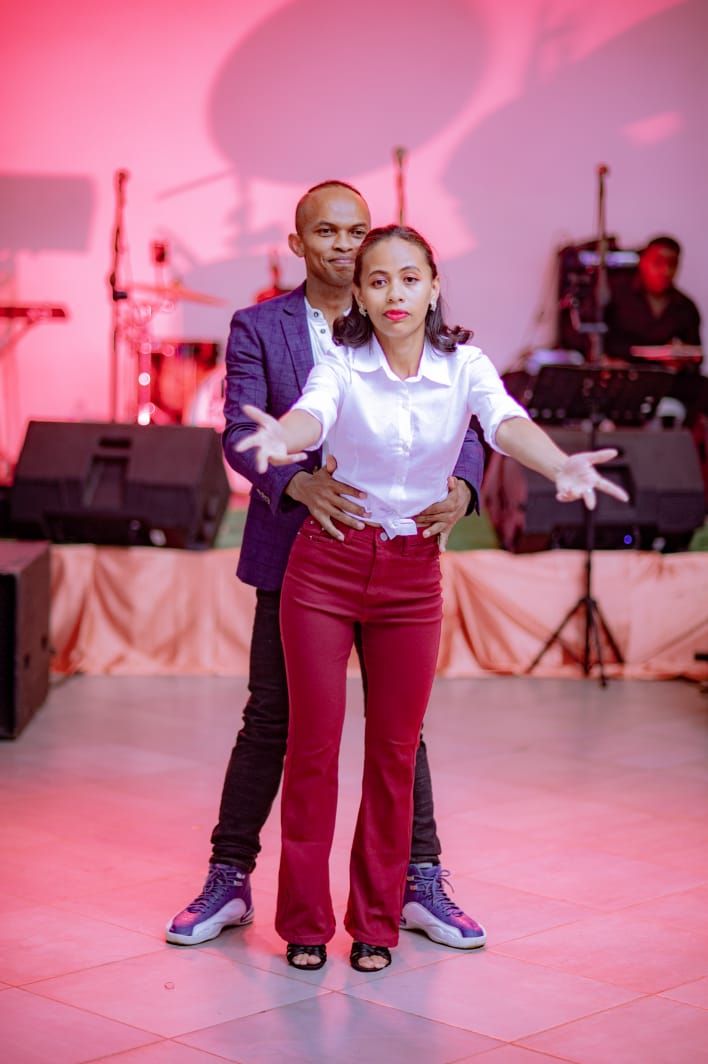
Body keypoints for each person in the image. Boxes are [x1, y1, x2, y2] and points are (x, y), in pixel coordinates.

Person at [237, 224, 628, 971]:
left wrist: (559, 465)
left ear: (434, 287)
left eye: (409, 278)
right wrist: (284, 436)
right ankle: (305, 923)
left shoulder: (465, 366)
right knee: (313, 749)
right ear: (359, 294)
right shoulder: (340, 362)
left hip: (412, 577)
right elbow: (314, 412)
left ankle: (376, 924)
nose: (395, 294)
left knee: (393, 755)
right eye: (378, 280)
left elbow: (505, 423)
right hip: (325, 568)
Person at [166, 182, 488, 955]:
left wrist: (464, 484)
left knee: (400, 733)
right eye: (327, 232)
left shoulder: (403, 311)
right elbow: (240, 430)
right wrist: (294, 483)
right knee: (273, 719)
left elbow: (471, 418)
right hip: (294, 555)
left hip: (397, 554)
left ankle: (418, 880)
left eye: (356, 231)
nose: (344, 245)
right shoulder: (260, 326)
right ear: (297, 243)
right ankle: (229, 874)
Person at [604, 235, 702, 361]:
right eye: (657, 263)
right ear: (642, 262)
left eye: (672, 264)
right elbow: (587, 338)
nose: (666, 271)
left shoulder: (686, 307)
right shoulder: (614, 293)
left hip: (664, 373)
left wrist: (682, 360)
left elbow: (696, 357)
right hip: (618, 372)